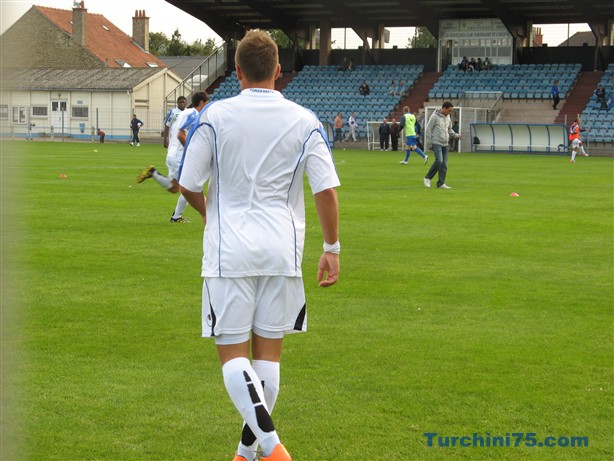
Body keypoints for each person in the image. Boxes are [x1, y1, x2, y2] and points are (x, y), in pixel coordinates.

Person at [178, 30, 340, 461]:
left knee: (232, 356)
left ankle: (271, 448)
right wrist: (332, 247)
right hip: (281, 252)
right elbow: (325, 189)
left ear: (236, 71)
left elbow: (188, 183)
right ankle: (244, 454)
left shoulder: (215, 115)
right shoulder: (305, 120)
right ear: (278, 70)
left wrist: (210, 214)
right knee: (268, 357)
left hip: (229, 252)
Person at [135, 92, 209, 223]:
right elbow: (181, 135)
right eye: (206, 102)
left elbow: (175, 130)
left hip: (172, 154)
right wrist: (191, 151)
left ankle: (153, 173)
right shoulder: (194, 115)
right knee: (190, 187)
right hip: (180, 156)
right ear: (202, 102)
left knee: (175, 187)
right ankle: (179, 216)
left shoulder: (183, 113)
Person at [423, 101, 461, 189]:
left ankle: (441, 183)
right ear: (444, 108)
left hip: (445, 143)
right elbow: (428, 130)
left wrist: (455, 135)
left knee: (444, 164)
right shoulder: (434, 116)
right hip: (436, 142)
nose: (450, 113)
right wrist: (429, 143)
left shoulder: (448, 117)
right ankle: (427, 178)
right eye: (449, 110)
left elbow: (449, 129)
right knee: (439, 161)